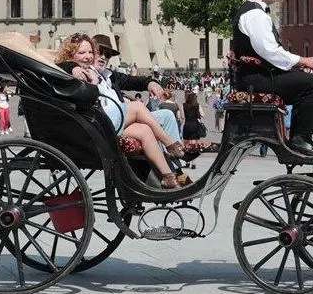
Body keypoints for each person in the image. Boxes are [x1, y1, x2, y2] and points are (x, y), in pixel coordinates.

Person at [56, 34, 186, 189]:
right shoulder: (74, 71)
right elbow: (60, 66)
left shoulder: (104, 74)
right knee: (137, 106)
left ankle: (170, 176)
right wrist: (74, 67)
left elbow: (134, 81)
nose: (101, 57)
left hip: (112, 121)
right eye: (99, 52)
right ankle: (172, 145)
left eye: (91, 52)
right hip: (97, 123)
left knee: (154, 123)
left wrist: (151, 82)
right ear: (72, 54)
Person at [231, 0, 313, 155]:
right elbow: (269, 51)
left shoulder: (252, 10)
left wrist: (298, 68)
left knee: (306, 81)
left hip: (255, 76)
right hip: (257, 80)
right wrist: (304, 60)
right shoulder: (256, 14)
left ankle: (300, 138)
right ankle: (301, 140)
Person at [181, 91, 204, 168]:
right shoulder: (197, 105)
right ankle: (193, 163)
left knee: (186, 144)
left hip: (187, 125)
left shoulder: (183, 105)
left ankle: (187, 162)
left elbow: (182, 117)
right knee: (194, 144)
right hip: (195, 125)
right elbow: (203, 114)